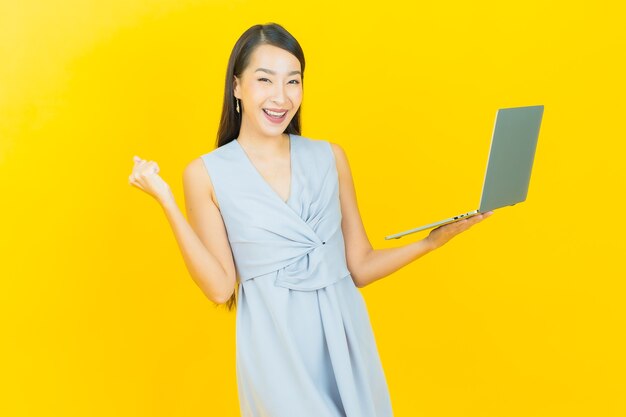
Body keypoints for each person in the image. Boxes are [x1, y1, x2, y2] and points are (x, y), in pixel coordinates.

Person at [128, 22, 493, 417]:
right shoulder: (205, 173)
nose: (281, 97)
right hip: (276, 353)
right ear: (236, 86)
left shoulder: (329, 158)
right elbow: (219, 289)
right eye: (264, 80)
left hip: (347, 341)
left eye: (293, 81)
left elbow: (360, 266)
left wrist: (432, 241)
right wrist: (166, 201)